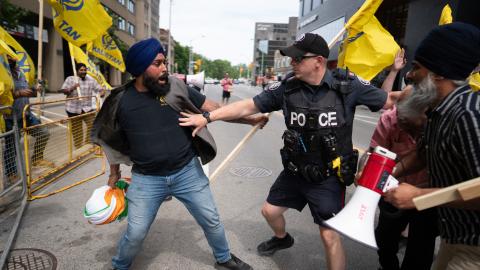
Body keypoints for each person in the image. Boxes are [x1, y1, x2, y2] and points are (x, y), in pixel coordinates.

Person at [179, 33, 400, 270]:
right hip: (294, 171)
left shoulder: (348, 85)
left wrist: (401, 77)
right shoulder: (286, 88)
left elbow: (389, 101)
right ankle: (283, 238)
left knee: (329, 236)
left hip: (328, 177)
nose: (292, 63)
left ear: (318, 60)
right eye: (291, 58)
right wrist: (208, 117)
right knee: (269, 211)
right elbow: (247, 106)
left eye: (298, 58)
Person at [91, 38, 266, 270]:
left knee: (211, 220)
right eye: (158, 63)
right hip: (146, 179)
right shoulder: (120, 101)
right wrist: (114, 173)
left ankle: (223, 258)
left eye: (164, 62)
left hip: (187, 173)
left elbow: (215, 109)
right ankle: (120, 265)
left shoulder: (175, 87)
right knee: (135, 233)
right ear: (141, 68)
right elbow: (110, 140)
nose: (165, 68)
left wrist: (250, 119)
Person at [384, 22, 480, 270]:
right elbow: (423, 154)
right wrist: (389, 172)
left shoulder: (469, 115)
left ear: (438, 72)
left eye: (417, 67)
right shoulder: (438, 109)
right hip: (456, 236)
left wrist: (418, 196)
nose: (410, 75)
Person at [3, 54, 51, 183]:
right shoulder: (2, 74)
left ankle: (37, 159)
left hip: (27, 114)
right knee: (11, 147)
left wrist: (34, 89)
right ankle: (11, 174)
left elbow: (27, 90)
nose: (10, 59)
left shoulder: (21, 72)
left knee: (44, 133)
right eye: (7, 56)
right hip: (10, 117)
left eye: (11, 56)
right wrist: (17, 94)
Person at [61, 63, 104, 149]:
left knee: (93, 124)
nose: (83, 71)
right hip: (73, 109)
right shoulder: (70, 79)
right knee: (77, 131)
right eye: (81, 70)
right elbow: (63, 91)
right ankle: (79, 148)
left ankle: (87, 144)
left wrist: (101, 93)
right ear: (77, 71)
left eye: (85, 70)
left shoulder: (91, 80)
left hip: (87, 108)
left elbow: (100, 89)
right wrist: (72, 87)